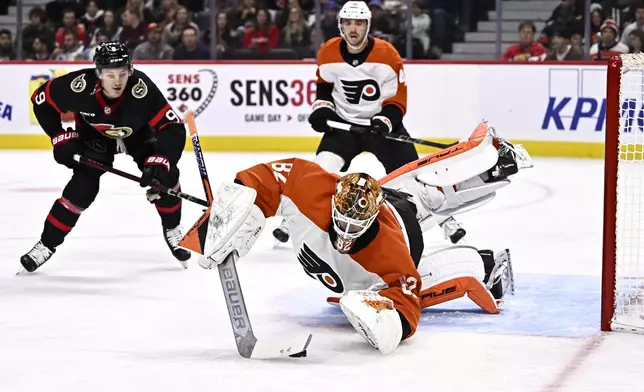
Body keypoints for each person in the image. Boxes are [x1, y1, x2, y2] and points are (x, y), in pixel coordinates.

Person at [187, 122, 523, 355]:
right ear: (334, 200)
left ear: (371, 217)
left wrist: (386, 321)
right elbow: (263, 179)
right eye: (342, 221)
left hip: (404, 229)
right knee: (422, 191)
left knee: (435, 193)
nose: (346, 233)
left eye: (356, 226)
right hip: (389, 198)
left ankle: (488, 237)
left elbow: (407, 301)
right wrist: (235, 218)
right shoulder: (311, 184)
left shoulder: (390, 252)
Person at [21, 41, 190, 273]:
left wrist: (161, 159)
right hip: (94, 136)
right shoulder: (78, 86)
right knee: (83, 187)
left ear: (130, 69)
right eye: (110, 75)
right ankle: (46, 244)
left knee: (166, 176)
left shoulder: (142, 88)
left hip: (139, 135)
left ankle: (172, 228)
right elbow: (40, 100)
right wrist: (58, 136)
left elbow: (172, 127)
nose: (118, 81)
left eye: (122, 73)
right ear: (98, 73)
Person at [272, 0, 421, 243]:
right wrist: (322, 109)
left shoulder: (387, 55)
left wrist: (384, 121)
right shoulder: (328, 52)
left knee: (410, 176)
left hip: (380, 129)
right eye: (348, 23)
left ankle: (443, 222)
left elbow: (397, 99)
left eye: (359, 23)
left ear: (368, 26)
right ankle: (290, 221)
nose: (354, 29)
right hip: (344, 128)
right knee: (319, 171)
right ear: (340, 26)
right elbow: (324, 86)